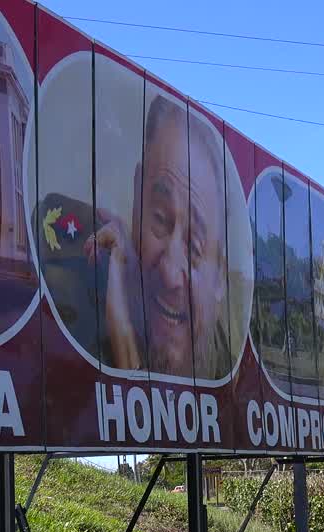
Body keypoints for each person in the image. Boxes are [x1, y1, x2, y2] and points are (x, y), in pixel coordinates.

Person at [84, 95, 231, 380]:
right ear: (138, 195)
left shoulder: (236, 383)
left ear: (220, 278)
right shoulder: (85, 293)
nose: (169, 273)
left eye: (195, 246)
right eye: (160, 219)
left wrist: (125, 351)